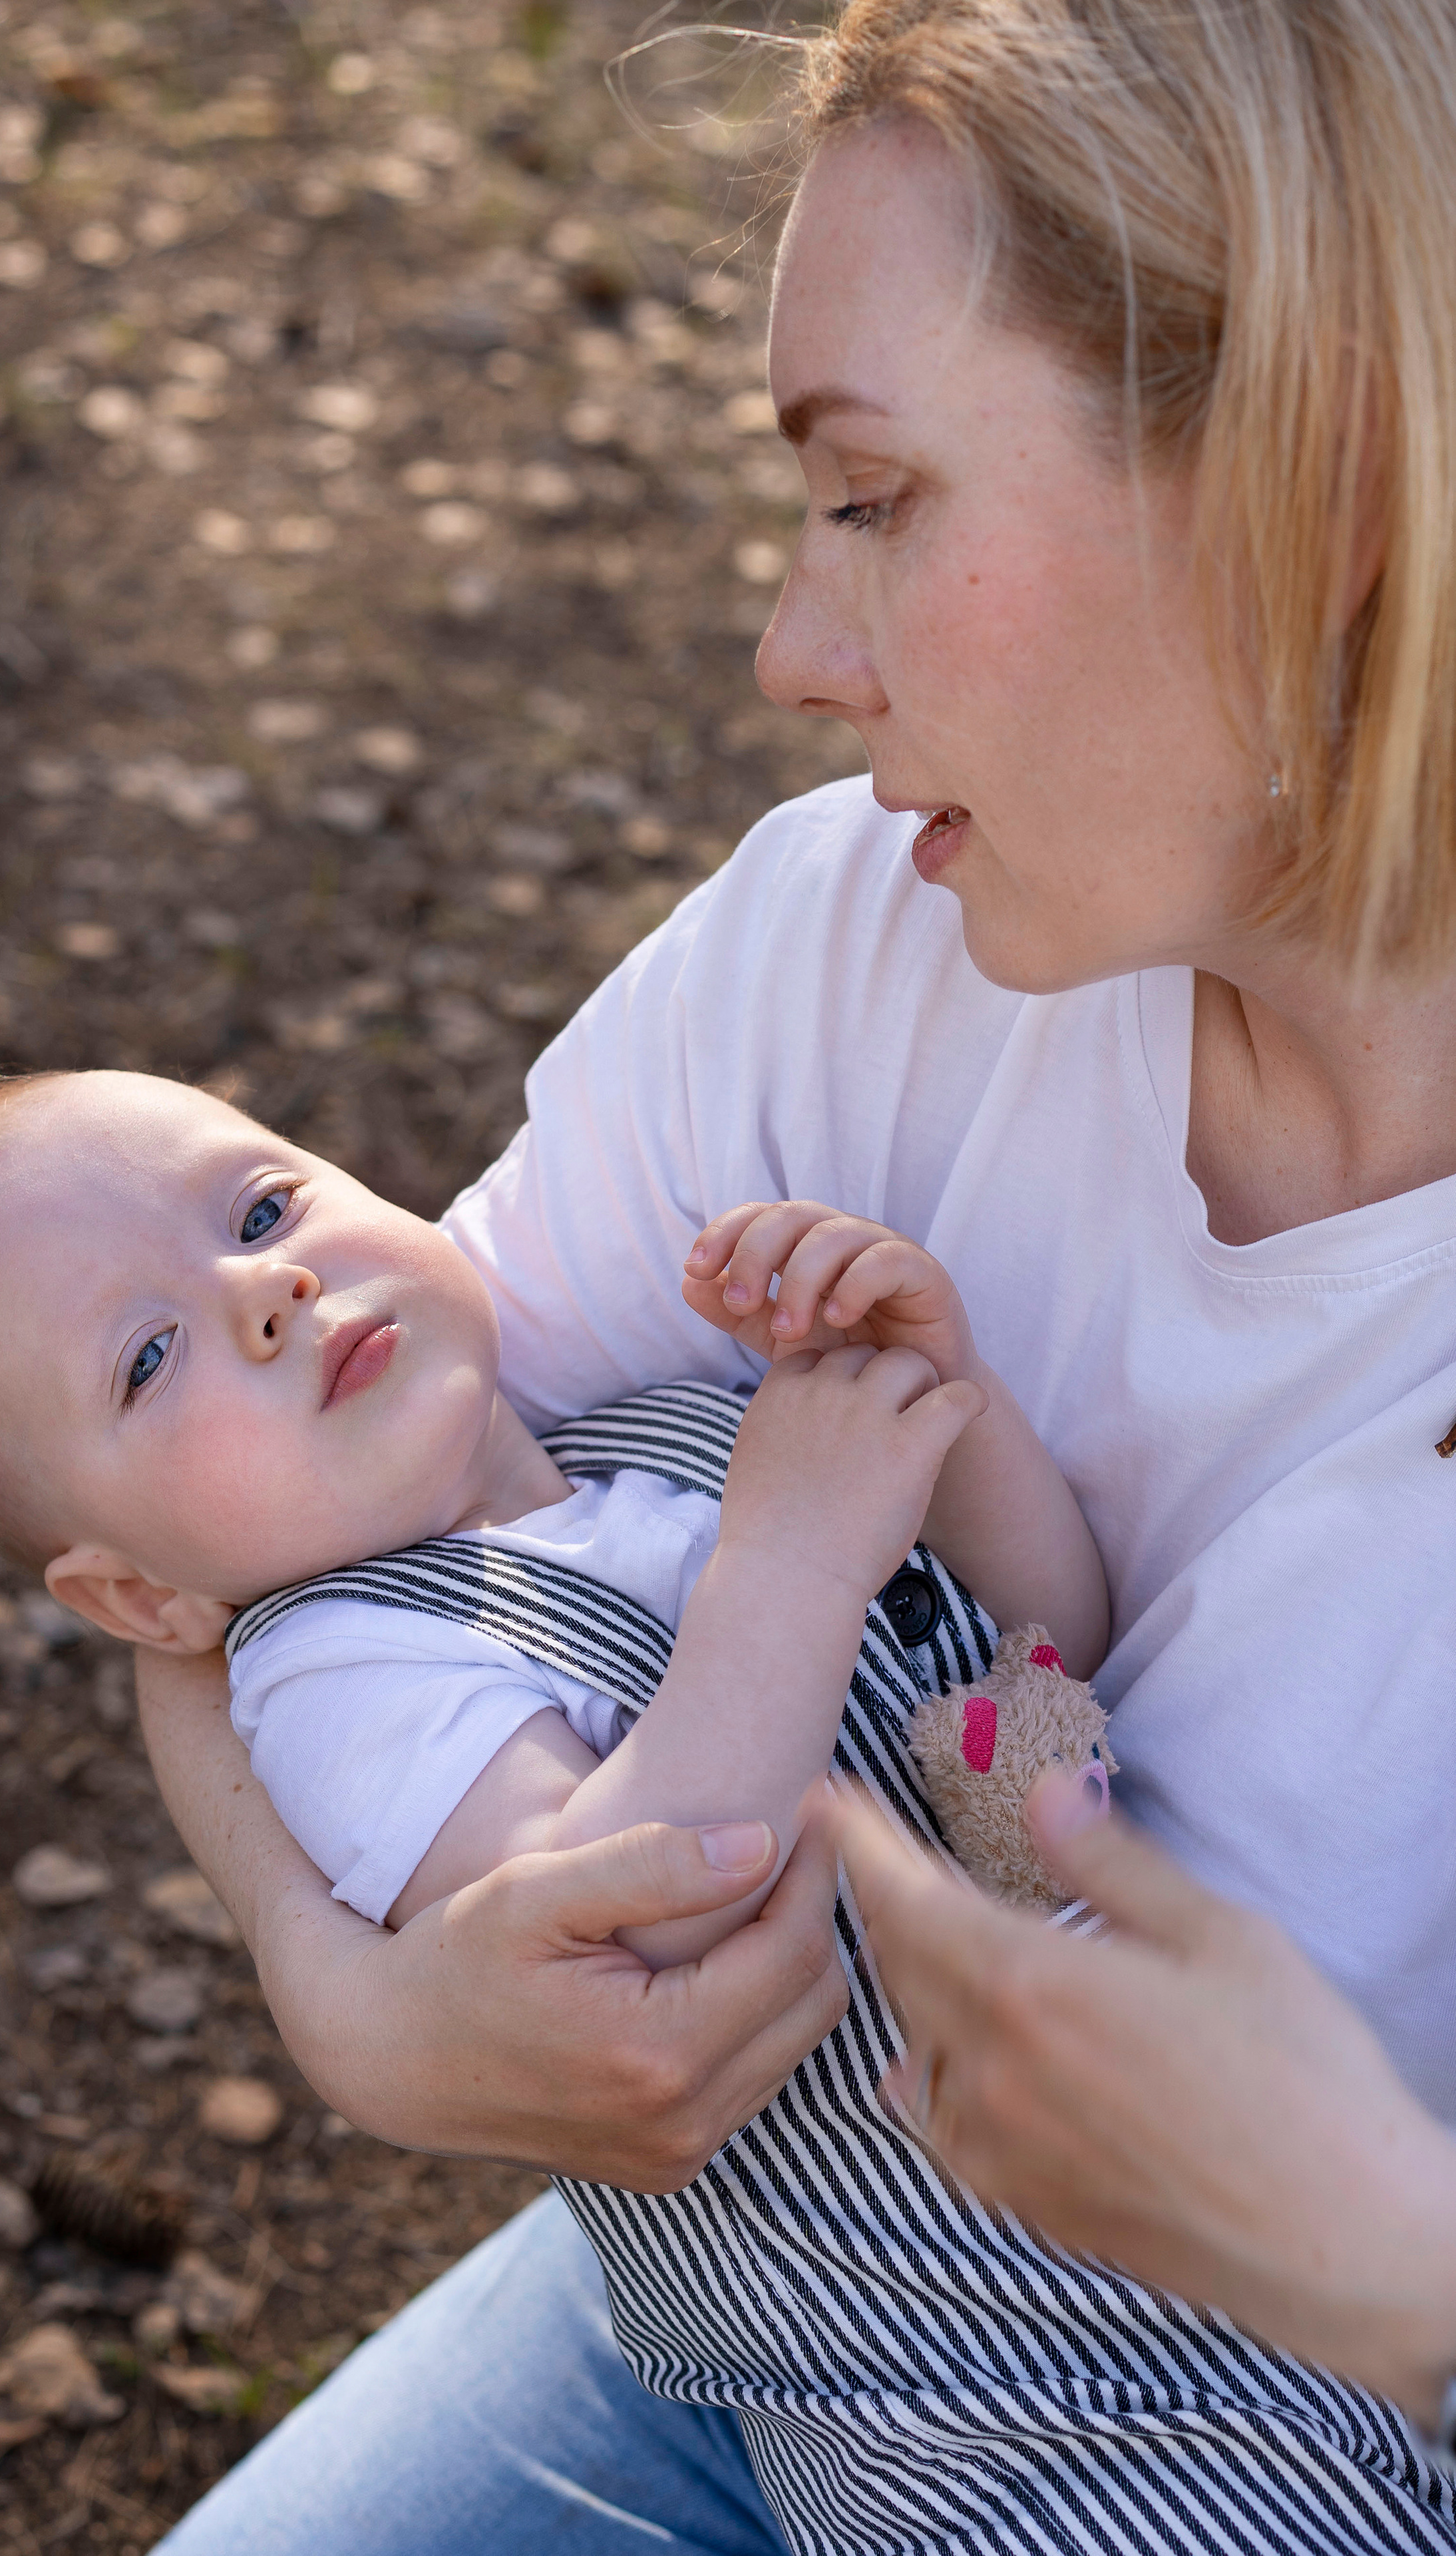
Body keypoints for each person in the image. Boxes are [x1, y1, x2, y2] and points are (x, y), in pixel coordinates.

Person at [122, 0, 1456, 2543]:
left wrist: (1401, 2272)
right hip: (797, 2306)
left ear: (1326, 470)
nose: (788, 647)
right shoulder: (866, 948)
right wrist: (361, 1992)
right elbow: (212, 1503)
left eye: (869, 498)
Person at [0, 1064, 1100, 1972]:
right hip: (942, 2332)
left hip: (1193, 2127)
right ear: (138, 1600)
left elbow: (1058, 1635)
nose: (267, 1287)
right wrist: (793, 1560)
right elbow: (618, 1930)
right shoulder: (340, 1674)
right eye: (148, 1359)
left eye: (259, 1207)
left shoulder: (673, 1448)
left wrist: (936, 1392)